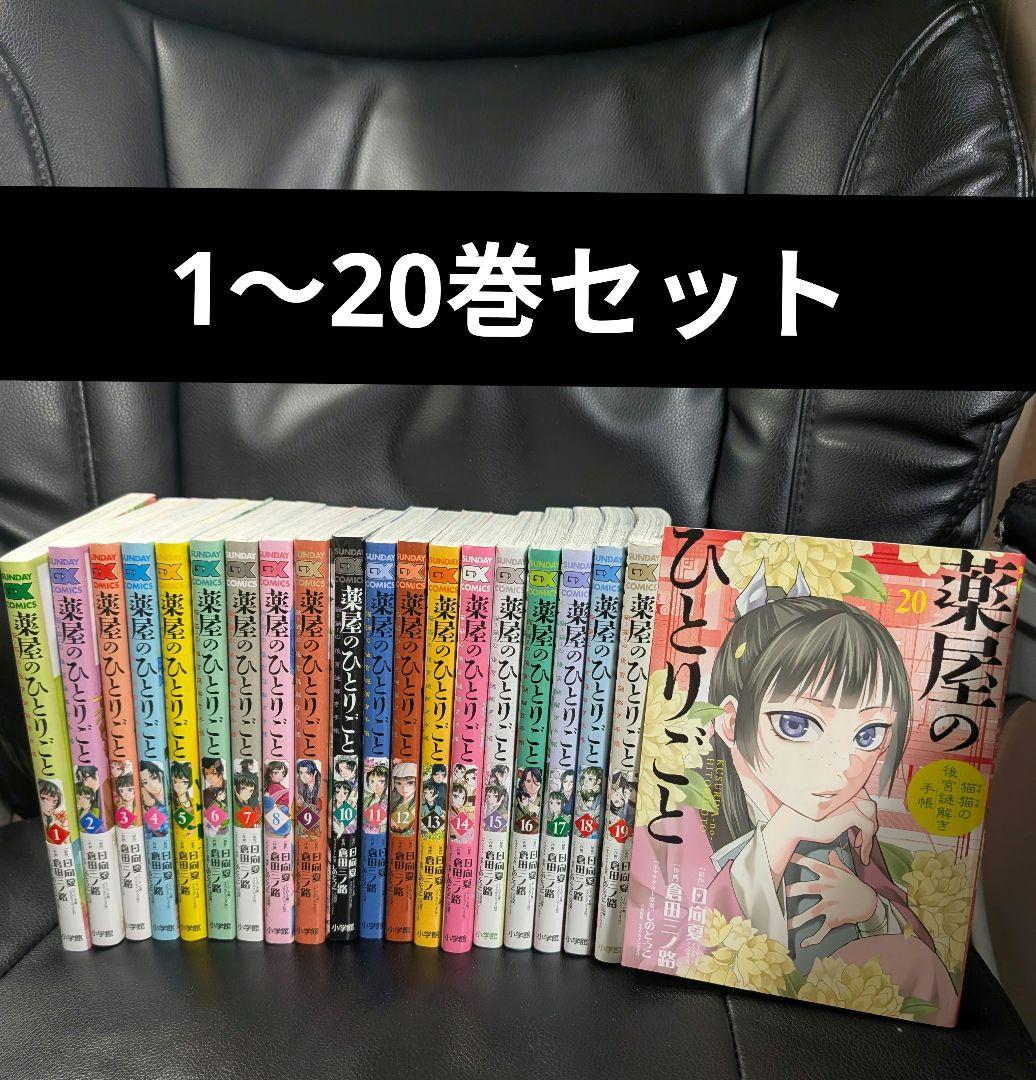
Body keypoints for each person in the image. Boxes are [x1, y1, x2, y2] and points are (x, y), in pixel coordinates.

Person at [698, 572, 955, 1016]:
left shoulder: (852, 824)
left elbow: (926, 956)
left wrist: (871, 908)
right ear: (731, 722)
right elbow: (678, 939)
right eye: (796, 724)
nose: (841, 766)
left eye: (869, 734)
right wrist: (780, 838)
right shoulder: (682, 818)